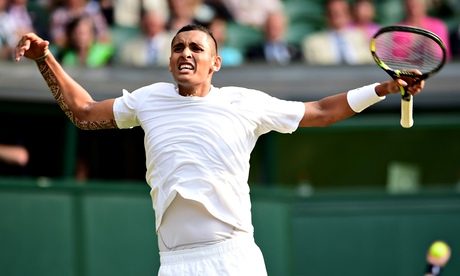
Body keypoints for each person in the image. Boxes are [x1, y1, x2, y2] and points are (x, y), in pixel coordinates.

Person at [15, 24, 424, 275]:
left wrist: (384, 88)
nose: (185, 53)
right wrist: (45, 57)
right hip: (174, 265)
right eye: (178, 48)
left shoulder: (246, 103)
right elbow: (85, 113)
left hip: (234, 261)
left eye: (196, 48)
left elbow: (318, 110)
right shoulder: (148, 99)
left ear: (216, 63)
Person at [302, 0, 374, 65]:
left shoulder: (360, 37)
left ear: (348, 15)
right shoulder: (313, 42)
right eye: (332, 13)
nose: (336, 17)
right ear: (326, 16)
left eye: (340, 13)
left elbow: (368, 64)